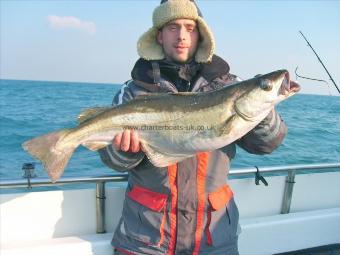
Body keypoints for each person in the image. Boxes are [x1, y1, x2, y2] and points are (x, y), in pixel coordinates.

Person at [99, 0, 287, 254]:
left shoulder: (230, 86)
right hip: (147, 238)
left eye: (190, 27)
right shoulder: (133, 91)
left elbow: (266, 144)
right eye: (173, 27)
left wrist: (263, 105)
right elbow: (113, 161)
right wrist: (125, 151)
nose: (182, 36)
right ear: (159, 35)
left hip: (214, 237)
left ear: (201, 34)